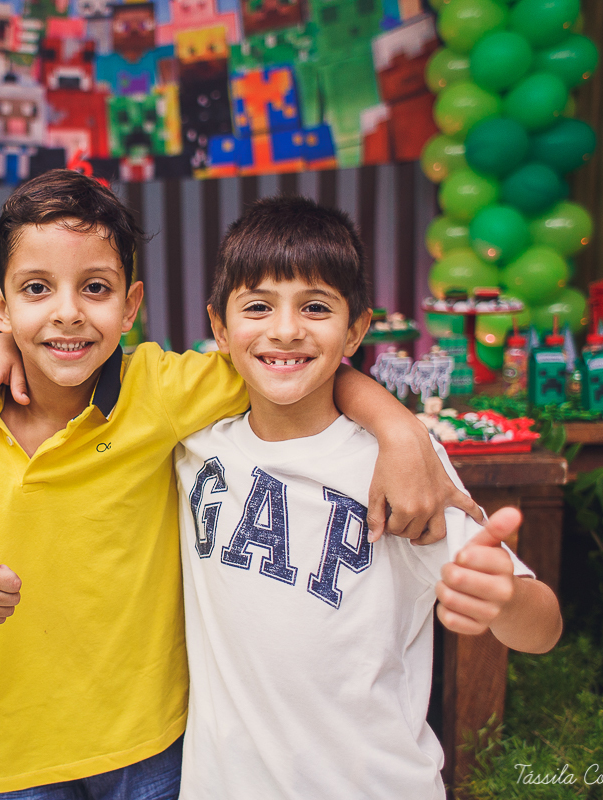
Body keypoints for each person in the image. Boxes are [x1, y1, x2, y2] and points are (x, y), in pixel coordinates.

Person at [0, 169, 481, 799]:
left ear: (131, 306)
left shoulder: (160, 391)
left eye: (95, 288)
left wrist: (399, 429)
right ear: (2, 305)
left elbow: (288, 365)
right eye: (37, 289)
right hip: (13, 750)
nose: (68, 313)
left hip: (150, 745)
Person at [175, 196, 562, 800]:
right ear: (220, 329)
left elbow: (542, 630)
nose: (284, 329)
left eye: (316, 307)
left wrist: (502, 595)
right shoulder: (190, 448)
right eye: (257, 306)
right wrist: (1, 349)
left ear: (356, 329)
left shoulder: (400, 467)